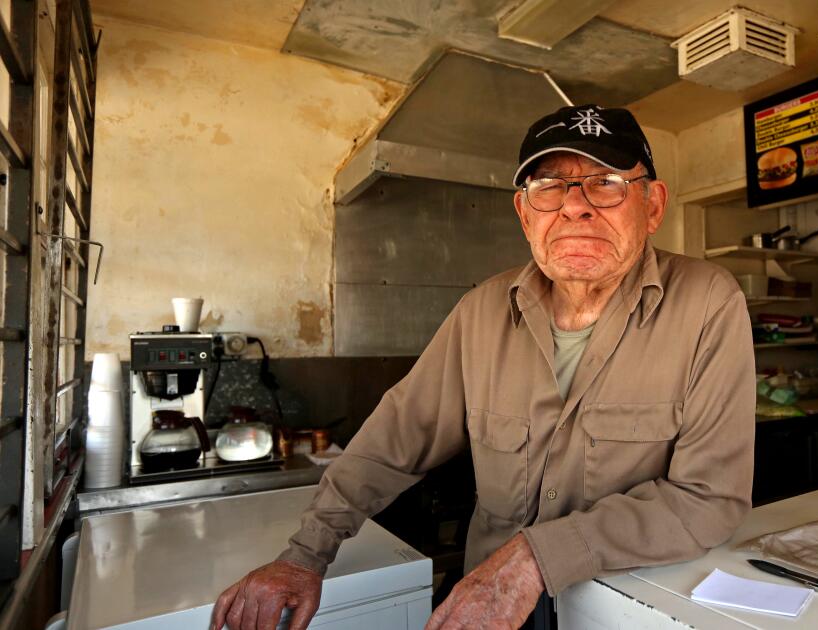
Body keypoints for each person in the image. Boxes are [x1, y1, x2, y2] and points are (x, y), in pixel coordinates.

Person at [210, 104, 755, 630]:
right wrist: (305, 555)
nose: (576, 206)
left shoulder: (707, 302)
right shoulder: (482, 311)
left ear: (653, 206)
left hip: (625, 607)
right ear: (524, 213)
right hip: (488, 609)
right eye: (549, 187)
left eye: (607, 181)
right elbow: (395, 438)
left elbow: (710, 499)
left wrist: (534, 560)